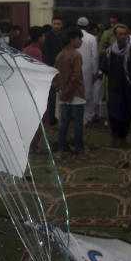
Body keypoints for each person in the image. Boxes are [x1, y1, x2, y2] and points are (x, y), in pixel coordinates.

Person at [101, 23, 131, 147]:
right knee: (114, 113)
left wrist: (128, 73)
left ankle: (123, 137)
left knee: (127, 112)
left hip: (128, 87)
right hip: (114, 87)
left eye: (125, 34)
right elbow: (104, 68)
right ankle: (114, 136)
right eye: (120, 34)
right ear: (115, 36)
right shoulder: (109, 52)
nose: (123, 37)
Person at [53, 28, 89, 159]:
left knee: (64, 122)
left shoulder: (60, 55)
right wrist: (67, 91)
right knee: (78, 123)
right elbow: (76, 76)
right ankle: (79, 149)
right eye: (79, 39)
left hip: (63, 93)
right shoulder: (75, 55)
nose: (81, 42)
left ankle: (62, 149)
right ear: (72, 39)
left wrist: (60, 91)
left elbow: (55, 75)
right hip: (76, 93)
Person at [41, 16, 67, 126]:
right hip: (50, 69)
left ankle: (60, 117)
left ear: (62, 26)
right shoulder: (47, 37)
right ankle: (51, 118)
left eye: (59, 24)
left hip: (61, 69)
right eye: (55, 23)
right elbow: (45, 54)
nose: (56, 26)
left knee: (60, 93)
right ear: (52, 24)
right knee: (51, 95)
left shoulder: (63, 37)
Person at [76, 17, 101, 126]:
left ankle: (78, 117)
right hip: (87, 69)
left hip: (75, 68)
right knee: (88, 93)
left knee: (77, 92)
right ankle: (87, 118)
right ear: (88, 27)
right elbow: (95, 56)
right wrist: (95, 71)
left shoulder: (72, 37)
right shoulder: (91, 38)